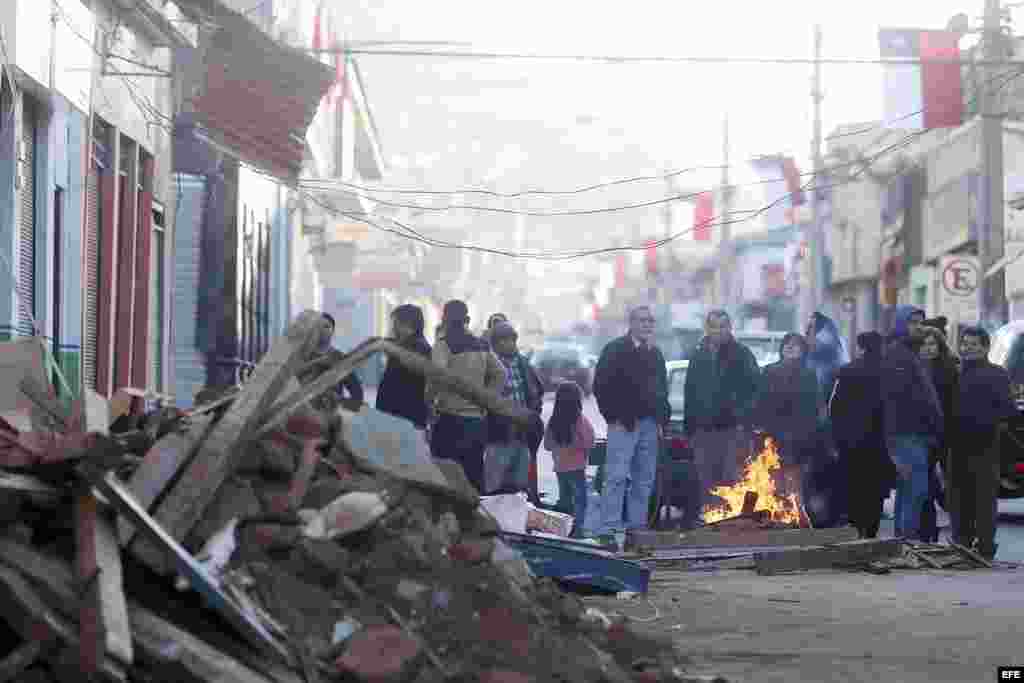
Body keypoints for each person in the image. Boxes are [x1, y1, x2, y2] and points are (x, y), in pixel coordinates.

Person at [592, 306, 671, 549]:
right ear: (632, 323)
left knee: (644, 479)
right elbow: (600, 386)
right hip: (623, 424)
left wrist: (661, 418)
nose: (647, 325)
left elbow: (661, 390)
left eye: (650, 321)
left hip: (649, 425)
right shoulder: (615, 349)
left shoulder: (655, 354)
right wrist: (614, 417)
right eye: (642, 321)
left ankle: (637, 531)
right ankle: (608, 530)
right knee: (615, 476)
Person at [949, 327, 1016, 560]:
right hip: (957, 448)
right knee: (959, 500)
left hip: (985, 447)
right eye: (965, 343)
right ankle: (962, 545)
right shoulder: (955, 373)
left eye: (974, 344)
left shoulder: (997, 374)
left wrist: (987, 422)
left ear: (986, 347)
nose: (968, 348)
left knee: (984, 501)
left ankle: (985, 547)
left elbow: (1008, 410)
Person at [427, 300, 507, 492]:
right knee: (473, 477)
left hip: (450, 421)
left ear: (444, 319)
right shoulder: (481, 345)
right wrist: (485, 399)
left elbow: (437, 375)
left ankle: (451, 519)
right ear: (467, 320)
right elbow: (501, 374)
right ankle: (475, 518)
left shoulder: (443, 345)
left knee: (446, 479)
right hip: (477, 423)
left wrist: (430, 401)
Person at [880, 305, 944, 540]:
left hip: (915, 433)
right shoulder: (897, 354)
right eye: (913, 323)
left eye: (920, 322)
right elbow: (907, 398)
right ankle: (907, 540)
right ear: (900, 324)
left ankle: (902, 540)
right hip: (906, 433)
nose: (919, 327)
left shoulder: (910, 353)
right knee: (916, 489)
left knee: (909, 488)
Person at [683, 310, 761, 501]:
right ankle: (710, 522)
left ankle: (727, 525)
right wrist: (690, 428)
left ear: (730, 328)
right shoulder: (698, 354)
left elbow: (756, 391)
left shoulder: (742, 354)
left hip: (732, 431)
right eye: (714, 326)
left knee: (730, 480)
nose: (718, 331)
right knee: (706, 481)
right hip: (702, 431)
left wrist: (742, 419)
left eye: (723, 326)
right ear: (707, 329)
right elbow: (690, 392)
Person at [831, 332, 891, 538]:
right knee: (875, 490)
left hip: (852, 441)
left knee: (855, 487)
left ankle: (856, 532)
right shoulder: (889, 370)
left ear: (861, 347)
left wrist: (837, 437)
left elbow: (835, 408)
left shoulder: (847, 371)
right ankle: (871, 532)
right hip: (881, 440)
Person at [488, 322, 545, 500]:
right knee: (495, 484)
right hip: (499, 433)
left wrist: (533, 414)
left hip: (522, 432)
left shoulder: (523, 364)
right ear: (496, 344)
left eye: (512, 340)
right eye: (504, 341)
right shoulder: (489, 364)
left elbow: (537, 392)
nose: (510, 344)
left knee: (520, 485)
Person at [917, 325, 958, 543]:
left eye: (932, 343)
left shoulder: (951, 368)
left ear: (940, 345)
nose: (928, 348)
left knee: (951, 481)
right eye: (924, 344)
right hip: (923, 434)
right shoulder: (915, 368)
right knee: (926, 483)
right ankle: (927, 530)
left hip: (948, 433)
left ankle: (959, 530)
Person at [545, 381, 595, 538]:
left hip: (560, 468)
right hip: (577, 468)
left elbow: (547, 445)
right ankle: (578, 529)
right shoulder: (580, 420)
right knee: (580, 501)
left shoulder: (554, 421)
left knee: (565, 499)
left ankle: (562, 528)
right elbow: (589, 442)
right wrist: (577, 447)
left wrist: (561, 448)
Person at [376, 304, 432, 429]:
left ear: (407, 324)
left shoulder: (416, 348)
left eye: (395, 323)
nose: (393, 328)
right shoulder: (408, 345)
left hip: (404, 420)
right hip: (401, 418)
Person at [299, 313, 364, 410]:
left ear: (333, 331)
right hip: (305, 413)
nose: (322, 330)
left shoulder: (339, 358)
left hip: (330, 415)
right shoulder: (302, 355)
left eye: (326, 326)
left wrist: (339, 401)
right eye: (318, 326)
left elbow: (357, 393)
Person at [805, 312, 850, 404]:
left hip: (826, 386)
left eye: (812, 325)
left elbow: (817, 350)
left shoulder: (827, 338)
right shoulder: (833, 338)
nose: (809, 328)